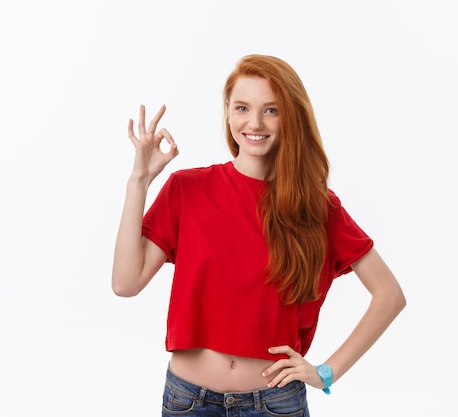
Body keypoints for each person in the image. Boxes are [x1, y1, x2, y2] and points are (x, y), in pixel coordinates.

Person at [112, 54, 406, 416]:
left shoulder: (317, 207)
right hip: (188, 402)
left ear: (290, 118)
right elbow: (126, 283)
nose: (254, 122)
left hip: (273, 404)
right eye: (242, 107)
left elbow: (390, 294)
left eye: (271, 110)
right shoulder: (186, 189)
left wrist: (327, 372)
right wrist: (138, 180)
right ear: (227, 111)